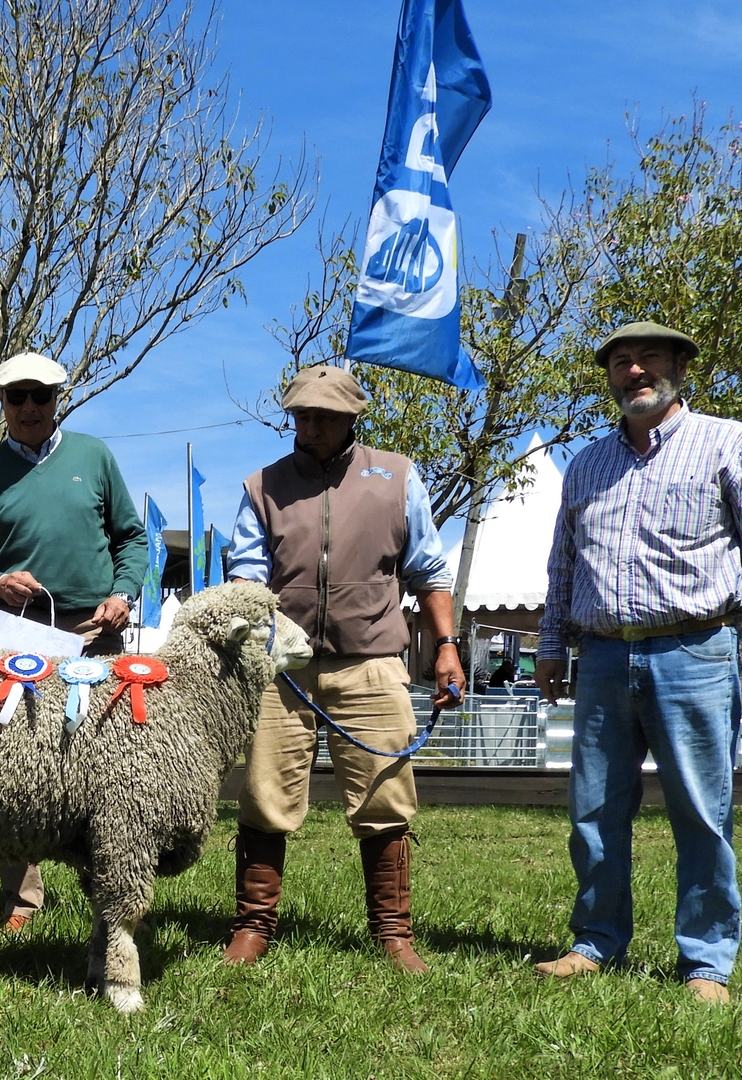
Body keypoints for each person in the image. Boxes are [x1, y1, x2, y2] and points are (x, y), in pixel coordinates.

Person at [534, 321, 742, 1005]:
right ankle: (594, 941)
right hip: (603, 655)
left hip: (694, 650)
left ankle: (705, 962)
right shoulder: (586, 465)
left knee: (701, 810)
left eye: (648, 359)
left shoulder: (729, 444)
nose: (634, 371)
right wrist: (551, 643)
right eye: (620, 362)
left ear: (680, 369)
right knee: (593, 810)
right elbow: (563, 566)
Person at [223, 364, 465, 972]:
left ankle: (393, 933)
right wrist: (252, 629)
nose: (310, 426)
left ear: (353, 417)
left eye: (324, 417)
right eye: (301, 415)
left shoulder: (397, 477)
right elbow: (247, 571)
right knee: (263, 795)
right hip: (282, 670)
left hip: (373, 664)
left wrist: (446, 646)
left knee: (386, 796)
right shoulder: (262, 486)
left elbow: (429, 570)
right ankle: (252, 927)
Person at [0, 351, 148, 930]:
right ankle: (22, 900)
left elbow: (132, 539)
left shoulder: (94, 456)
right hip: (20, 639)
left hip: (98, 633)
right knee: (17, 764)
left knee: (109, 764)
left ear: (58, 399)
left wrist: (123, 592)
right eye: (17, 397)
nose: (29, 407)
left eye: (41, 396)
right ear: (2, 403)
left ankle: (112, 895)